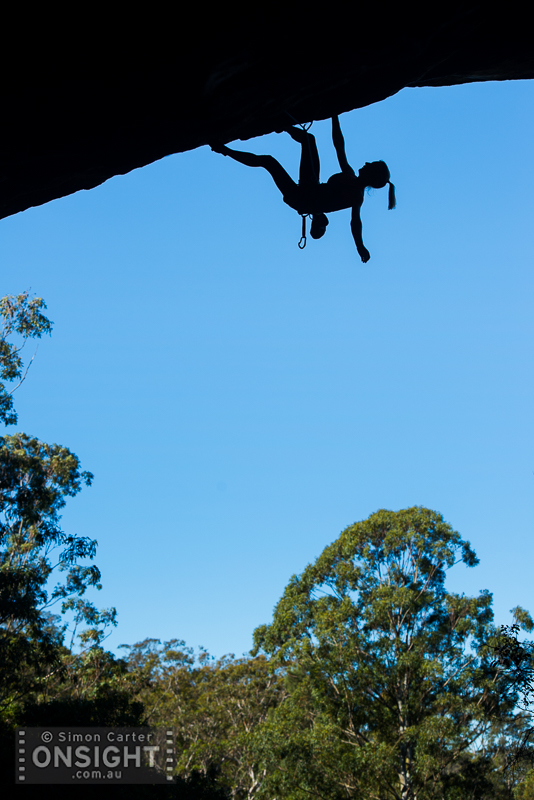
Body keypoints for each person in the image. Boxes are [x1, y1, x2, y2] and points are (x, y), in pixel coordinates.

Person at [210, 115, 395, 262]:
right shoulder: (349, 174)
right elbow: (339, 146)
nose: (366, 163)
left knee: (268, 161)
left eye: (370, 165)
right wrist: (334, 115)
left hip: (301, 199)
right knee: (308, 139)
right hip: (310, 186)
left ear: (371, 176)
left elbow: (355, 223)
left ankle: (224, 150)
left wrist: (360, 247)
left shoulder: (356, 197)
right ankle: (282, 123)